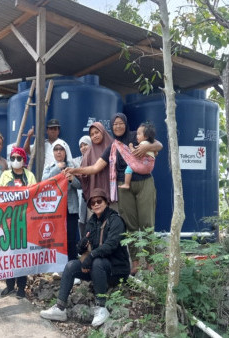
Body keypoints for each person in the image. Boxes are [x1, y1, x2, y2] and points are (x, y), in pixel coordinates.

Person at [65, 114, 162, 275]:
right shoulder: (112, 147)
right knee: (130, 226)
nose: (118, 126)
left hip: (144, 182)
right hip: (123, 186)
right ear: (111, 126)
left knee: (147, 223)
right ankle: (136, 262)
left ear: (125, 123)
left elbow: (158, 145)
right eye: (115, 124)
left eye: (120, 123)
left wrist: (147, 147)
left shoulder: (135, 136)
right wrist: (74, 170)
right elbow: (95, 168)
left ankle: (150, 263)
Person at [39, 188, 130, 327]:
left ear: (106, 202)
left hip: (116, 269)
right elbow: (85, 245)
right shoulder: (92, 221)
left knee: (97, 262)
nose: (96, 205)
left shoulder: (115, 220)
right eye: (92, 203)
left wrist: (91, 256)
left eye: (99, 201)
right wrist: (81, 246)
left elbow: (111, 245)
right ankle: (60, 308)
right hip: (97, 268)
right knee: (71, 266)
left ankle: (101, 307)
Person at [0, 147, 36, 299]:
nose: (15, 161)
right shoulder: (5, 175)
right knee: (9, 254)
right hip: (8, 220)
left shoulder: (30, 175)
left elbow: (35, 193)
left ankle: (21, 287)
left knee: (22, 256)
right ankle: (9, 285)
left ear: (24, 160)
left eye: (19, 158)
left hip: (25, 221)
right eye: (13, 158)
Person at [42, 140, 81, 261]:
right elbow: (43, 183)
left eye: (61, 149)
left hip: (71, 209)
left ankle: (72, 267)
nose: (59, 152)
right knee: (56, 238)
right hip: (55, 209)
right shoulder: (49, 167)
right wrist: (56, 169)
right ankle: (58, 267)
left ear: (65, 151)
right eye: (56, 149)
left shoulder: (73, 166)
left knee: (70, 239)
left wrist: (72, 179)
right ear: (53, 152)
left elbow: (80, 185)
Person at [118, 122, 156, 190]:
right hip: (150, 167)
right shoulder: (151, 144)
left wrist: (131, 147)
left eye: (139, 134)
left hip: (143, 166)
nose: (136, 136)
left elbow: (135, 153)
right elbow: (156, 153)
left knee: (129, 168)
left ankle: (126, 184)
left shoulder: (143, 144)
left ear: (146, 136)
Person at [74, 136, 92, 238]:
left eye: (85, 144)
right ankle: (84, 251)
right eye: (81, 146)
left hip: (93, 197)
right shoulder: (76, 161)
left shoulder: (97, 160)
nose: (83, 148)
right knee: (81, 223)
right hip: (81, 198)